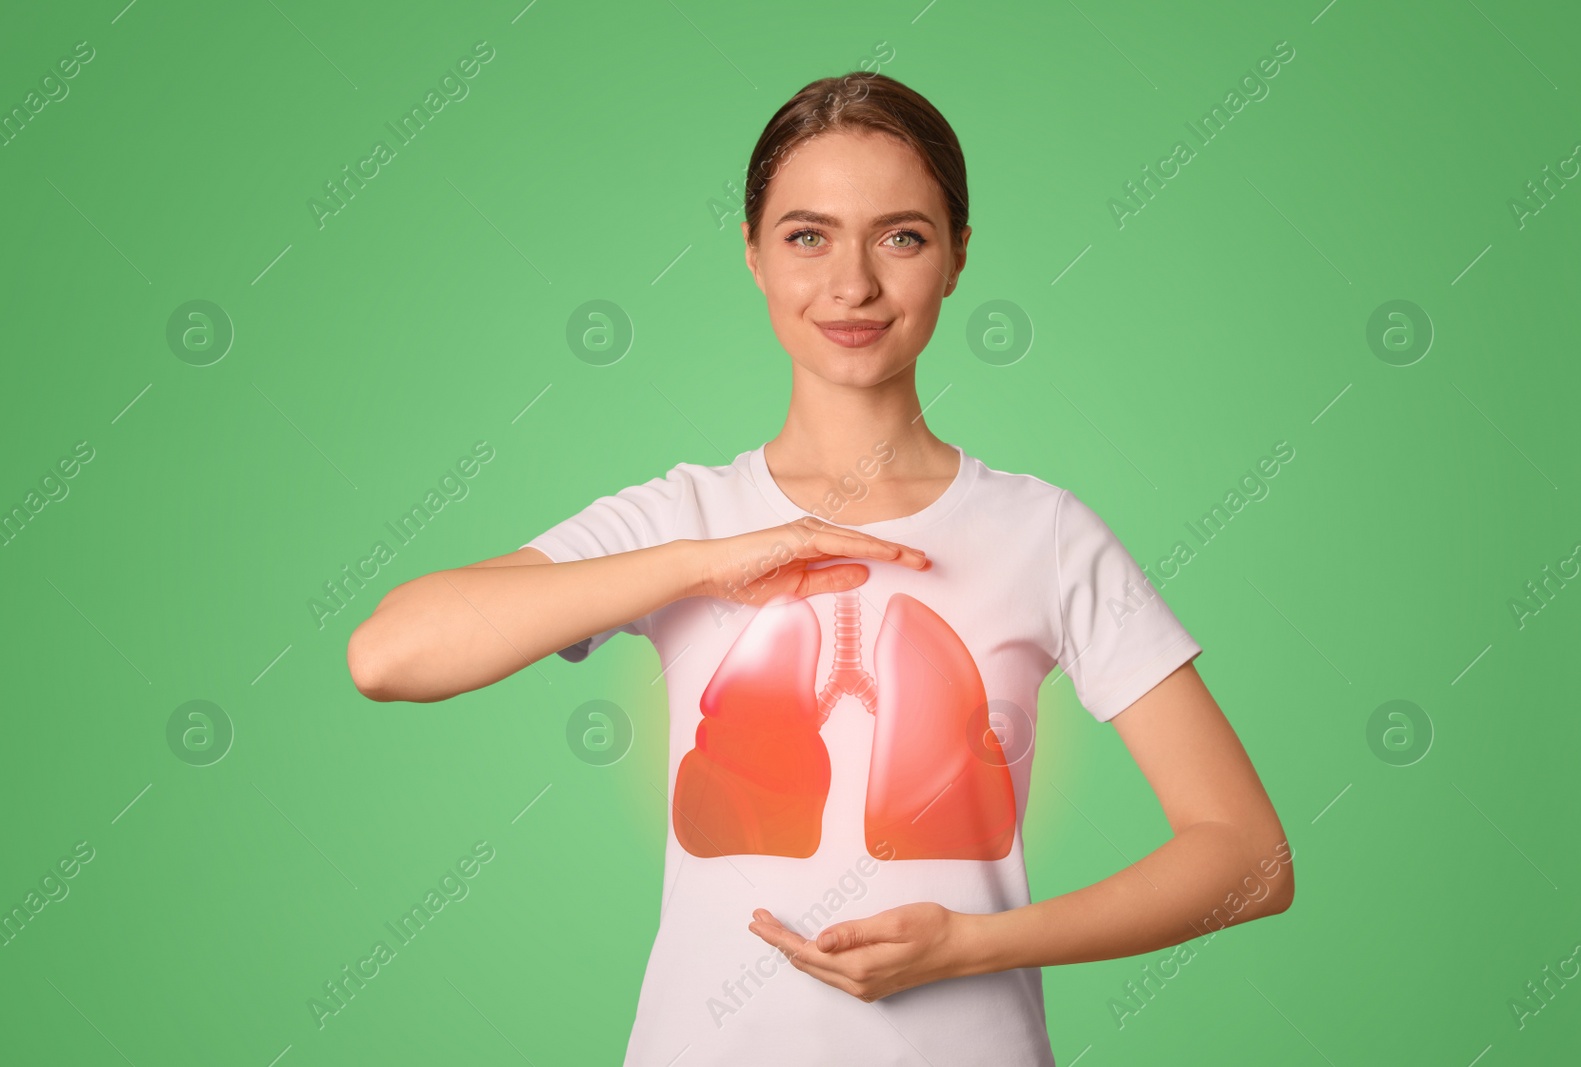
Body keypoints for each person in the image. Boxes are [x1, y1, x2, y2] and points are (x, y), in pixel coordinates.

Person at [346, 71, 1294, 1066]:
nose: (852, 284)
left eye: (901, 235)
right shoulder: (683, 515)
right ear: (752, 254)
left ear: (957, 256)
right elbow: (389, 654)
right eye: (807, 236)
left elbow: (1248, 855)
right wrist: (706, 565)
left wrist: (974, 943)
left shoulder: (1042, 531)